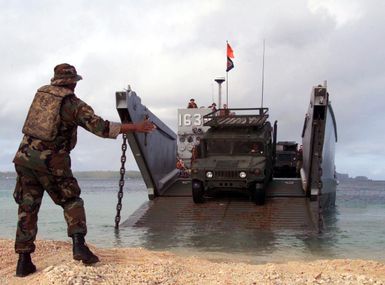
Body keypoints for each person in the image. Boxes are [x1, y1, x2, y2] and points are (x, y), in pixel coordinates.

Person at [12, 63, 155, 277]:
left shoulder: (40, 95)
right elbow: (102, 128)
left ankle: (23, 262)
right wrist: (136, 127)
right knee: (72, 201)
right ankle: (79, 247)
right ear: (73, 82)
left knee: (27, 207)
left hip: (23, 158)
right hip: (52, 162)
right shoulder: (73, 104)